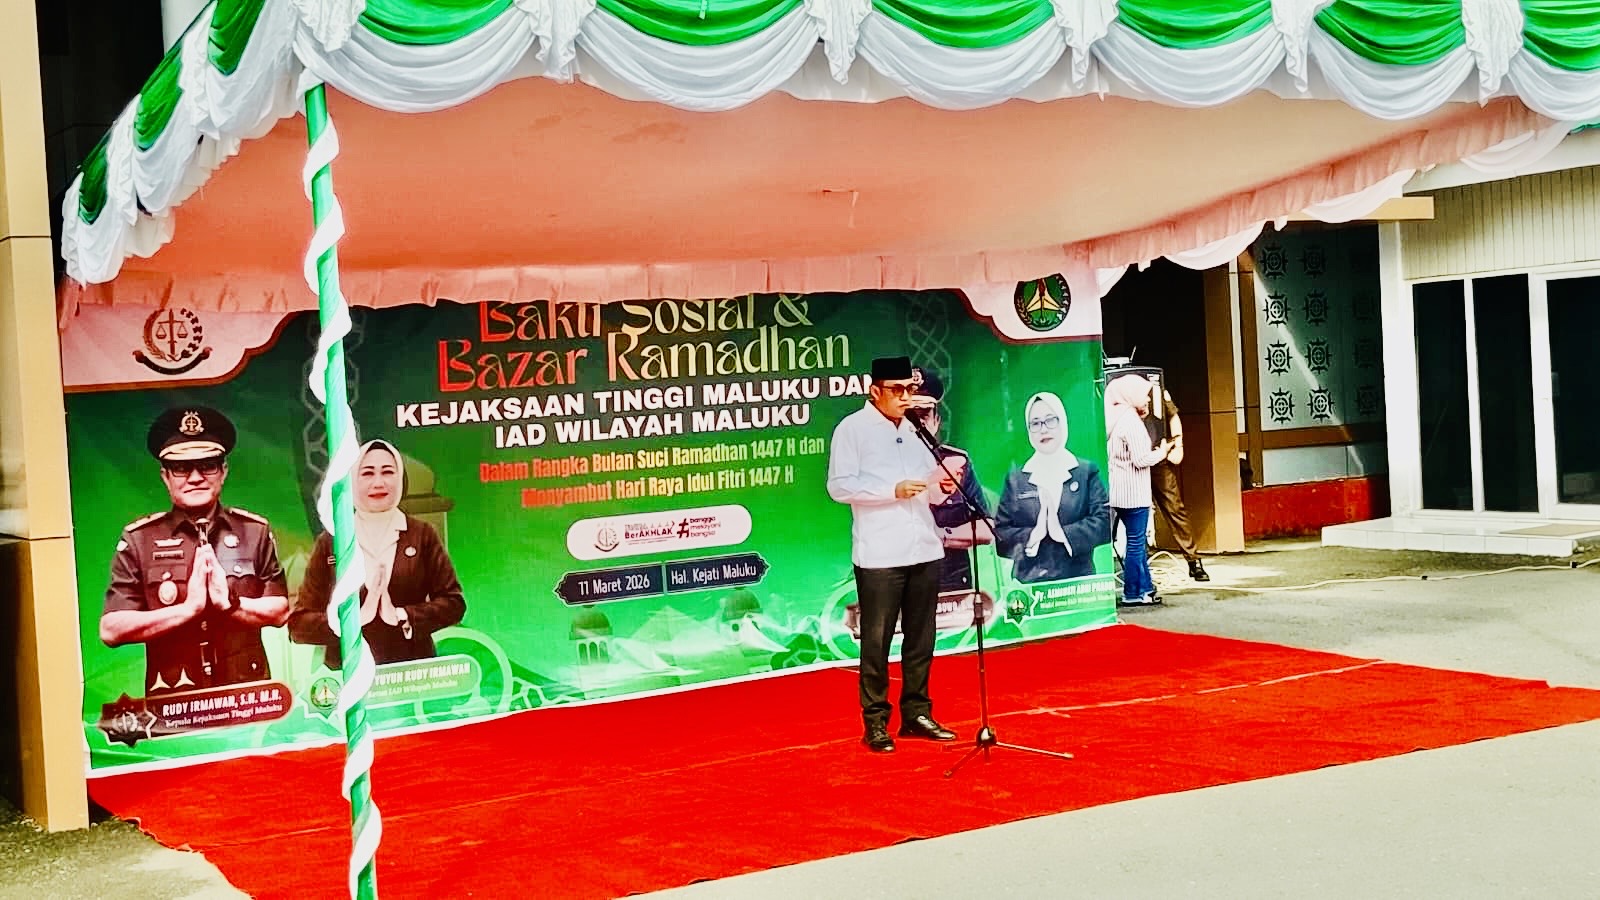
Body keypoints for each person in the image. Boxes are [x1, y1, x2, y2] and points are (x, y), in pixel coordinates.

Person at [100, 407, 290, 696]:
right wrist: (187, 609)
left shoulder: (254, 531)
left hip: (246, 697)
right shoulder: (140, 539)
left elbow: (279, 610)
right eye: (181, 468)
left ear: (223, 472)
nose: (196, 477)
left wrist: (231, 604)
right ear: (165, 476)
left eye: (208, 465)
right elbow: (111, 629)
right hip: (176, 700)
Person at [827, 356, 960, 753]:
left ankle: (917, 713)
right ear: (875, 391)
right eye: (897, 390)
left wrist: (940, 488)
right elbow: (839, 487)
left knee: (921, 638)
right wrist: (891, 491)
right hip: (880, 553)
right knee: (877, 640)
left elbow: (925, 484)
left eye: (910, 389)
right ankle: (876, 722)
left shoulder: (917, 429)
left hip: (924, 545)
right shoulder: (852, 430)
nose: (905, 397)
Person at [290, 439, 466, 668]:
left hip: (412, 672)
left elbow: (454, 604)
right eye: (367, 473)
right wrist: (353, 621)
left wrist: (402, 615)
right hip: (349, 673)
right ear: (353, 480)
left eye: (387, 472)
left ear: (399, 478)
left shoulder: (422, 534)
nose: (378, 483)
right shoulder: (332, 541)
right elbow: (299, 625)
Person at [993, 392, 1112, 583]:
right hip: (1029, 582)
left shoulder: (1085, 472)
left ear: (1062, 422)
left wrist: (1062, 533)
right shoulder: (1017, 478)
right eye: (1035, 423)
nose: (1043, 429)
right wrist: (1034, 535)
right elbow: (1000, 534)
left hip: (1078, 581)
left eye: (1050, 420)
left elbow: (1105, 522)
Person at [911, 367, 994, 592]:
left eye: (924, 415)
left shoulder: (957, 463)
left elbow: (986, 528)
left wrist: (942, 535)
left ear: (936, 421)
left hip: (954, 587)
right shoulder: (882, 466)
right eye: (909, 416)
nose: (917, 425)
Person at [1105, 376, 1172, 607]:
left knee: (1137, 543)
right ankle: (1133, 592)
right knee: (1136, 544)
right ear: (1131, 396)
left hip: (1118, 491)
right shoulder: (1130, 422)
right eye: (1143, 395)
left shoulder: (1115, 418)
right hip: (1134, 493)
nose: (1147, 399)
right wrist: (1162, 452)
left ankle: (1145, 589)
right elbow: (1141, 459)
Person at [1147, 389, 1209, 581]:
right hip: (1131, 461)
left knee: (1175, 508)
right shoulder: (1118, 388)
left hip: (1159, 458)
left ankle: (1193, 559)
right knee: (1133, 512)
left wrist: (1178, 444)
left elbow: (1173, 415)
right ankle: (1138, 566)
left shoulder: (1155, 387)